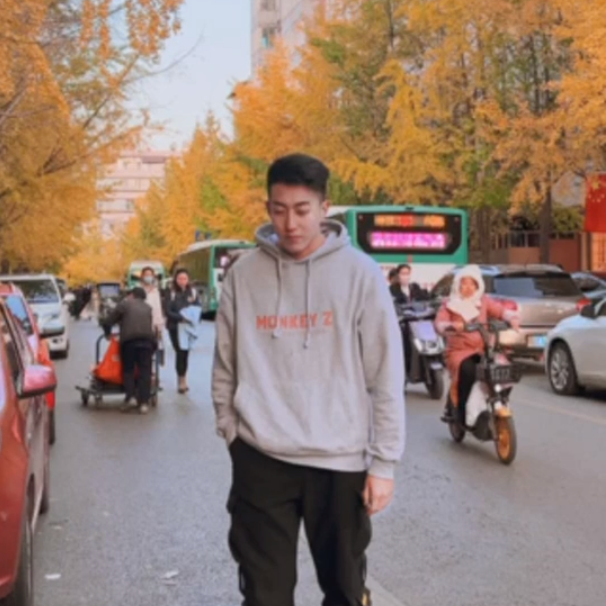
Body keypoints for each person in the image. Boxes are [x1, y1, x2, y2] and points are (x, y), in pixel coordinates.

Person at [212, 153, 405, 606]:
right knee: (264, 596)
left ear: (324, 207)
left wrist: (384, 464)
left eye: (302, 210)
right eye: (279, 210)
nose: (290, 223)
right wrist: (232, 431)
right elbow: (224, 364)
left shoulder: (360, 273)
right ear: (268, 207)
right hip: (261, 456)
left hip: (339, 461)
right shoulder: (243, 275)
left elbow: (384, 373)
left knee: (344, 590)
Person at [435, 264, 519, 423]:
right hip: (459, 352)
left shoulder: (484, 301)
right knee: (469, 370)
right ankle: (461, 412)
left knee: (504, 370)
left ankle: (497, 402)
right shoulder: (449, 304)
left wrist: (511, 318)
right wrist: (451, 325)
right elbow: (439, 323)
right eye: (464, 283)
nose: (468, 288)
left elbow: (500, 311)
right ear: (458, 285)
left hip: (483, 349)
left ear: (478, 285)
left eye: (472, 284)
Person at [102, 287, 156, 414]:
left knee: (128, 370)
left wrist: (107, 334)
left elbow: (108, 321)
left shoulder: (124, 304)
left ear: (132, 295)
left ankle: (130, 397)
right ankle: (144, 403)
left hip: (129, 341)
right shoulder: (148, 308)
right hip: (147, 341)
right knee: (145, 371)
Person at [164, 269, 200, 394]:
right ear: (175, 279)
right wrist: (181, 318)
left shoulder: (193, 292)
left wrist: (192, 317)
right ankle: (181, 380)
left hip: (188, 327)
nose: (182, 281)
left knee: (185, 353)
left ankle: (184, 378)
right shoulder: (171, 292)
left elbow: (198, 307)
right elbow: (167, 311)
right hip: (175, 327)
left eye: (185, 278)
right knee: (180, 351)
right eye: (180, 278)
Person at [140, 266, 165, 337]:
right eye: (146, 275)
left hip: (154, 326)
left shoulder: (156, 291)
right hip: (141, 324)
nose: (148, 277)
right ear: (142, 276)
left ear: (153, 277)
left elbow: (158, 309)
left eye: (150, 275)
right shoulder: (138, 290)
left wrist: (159, 327)